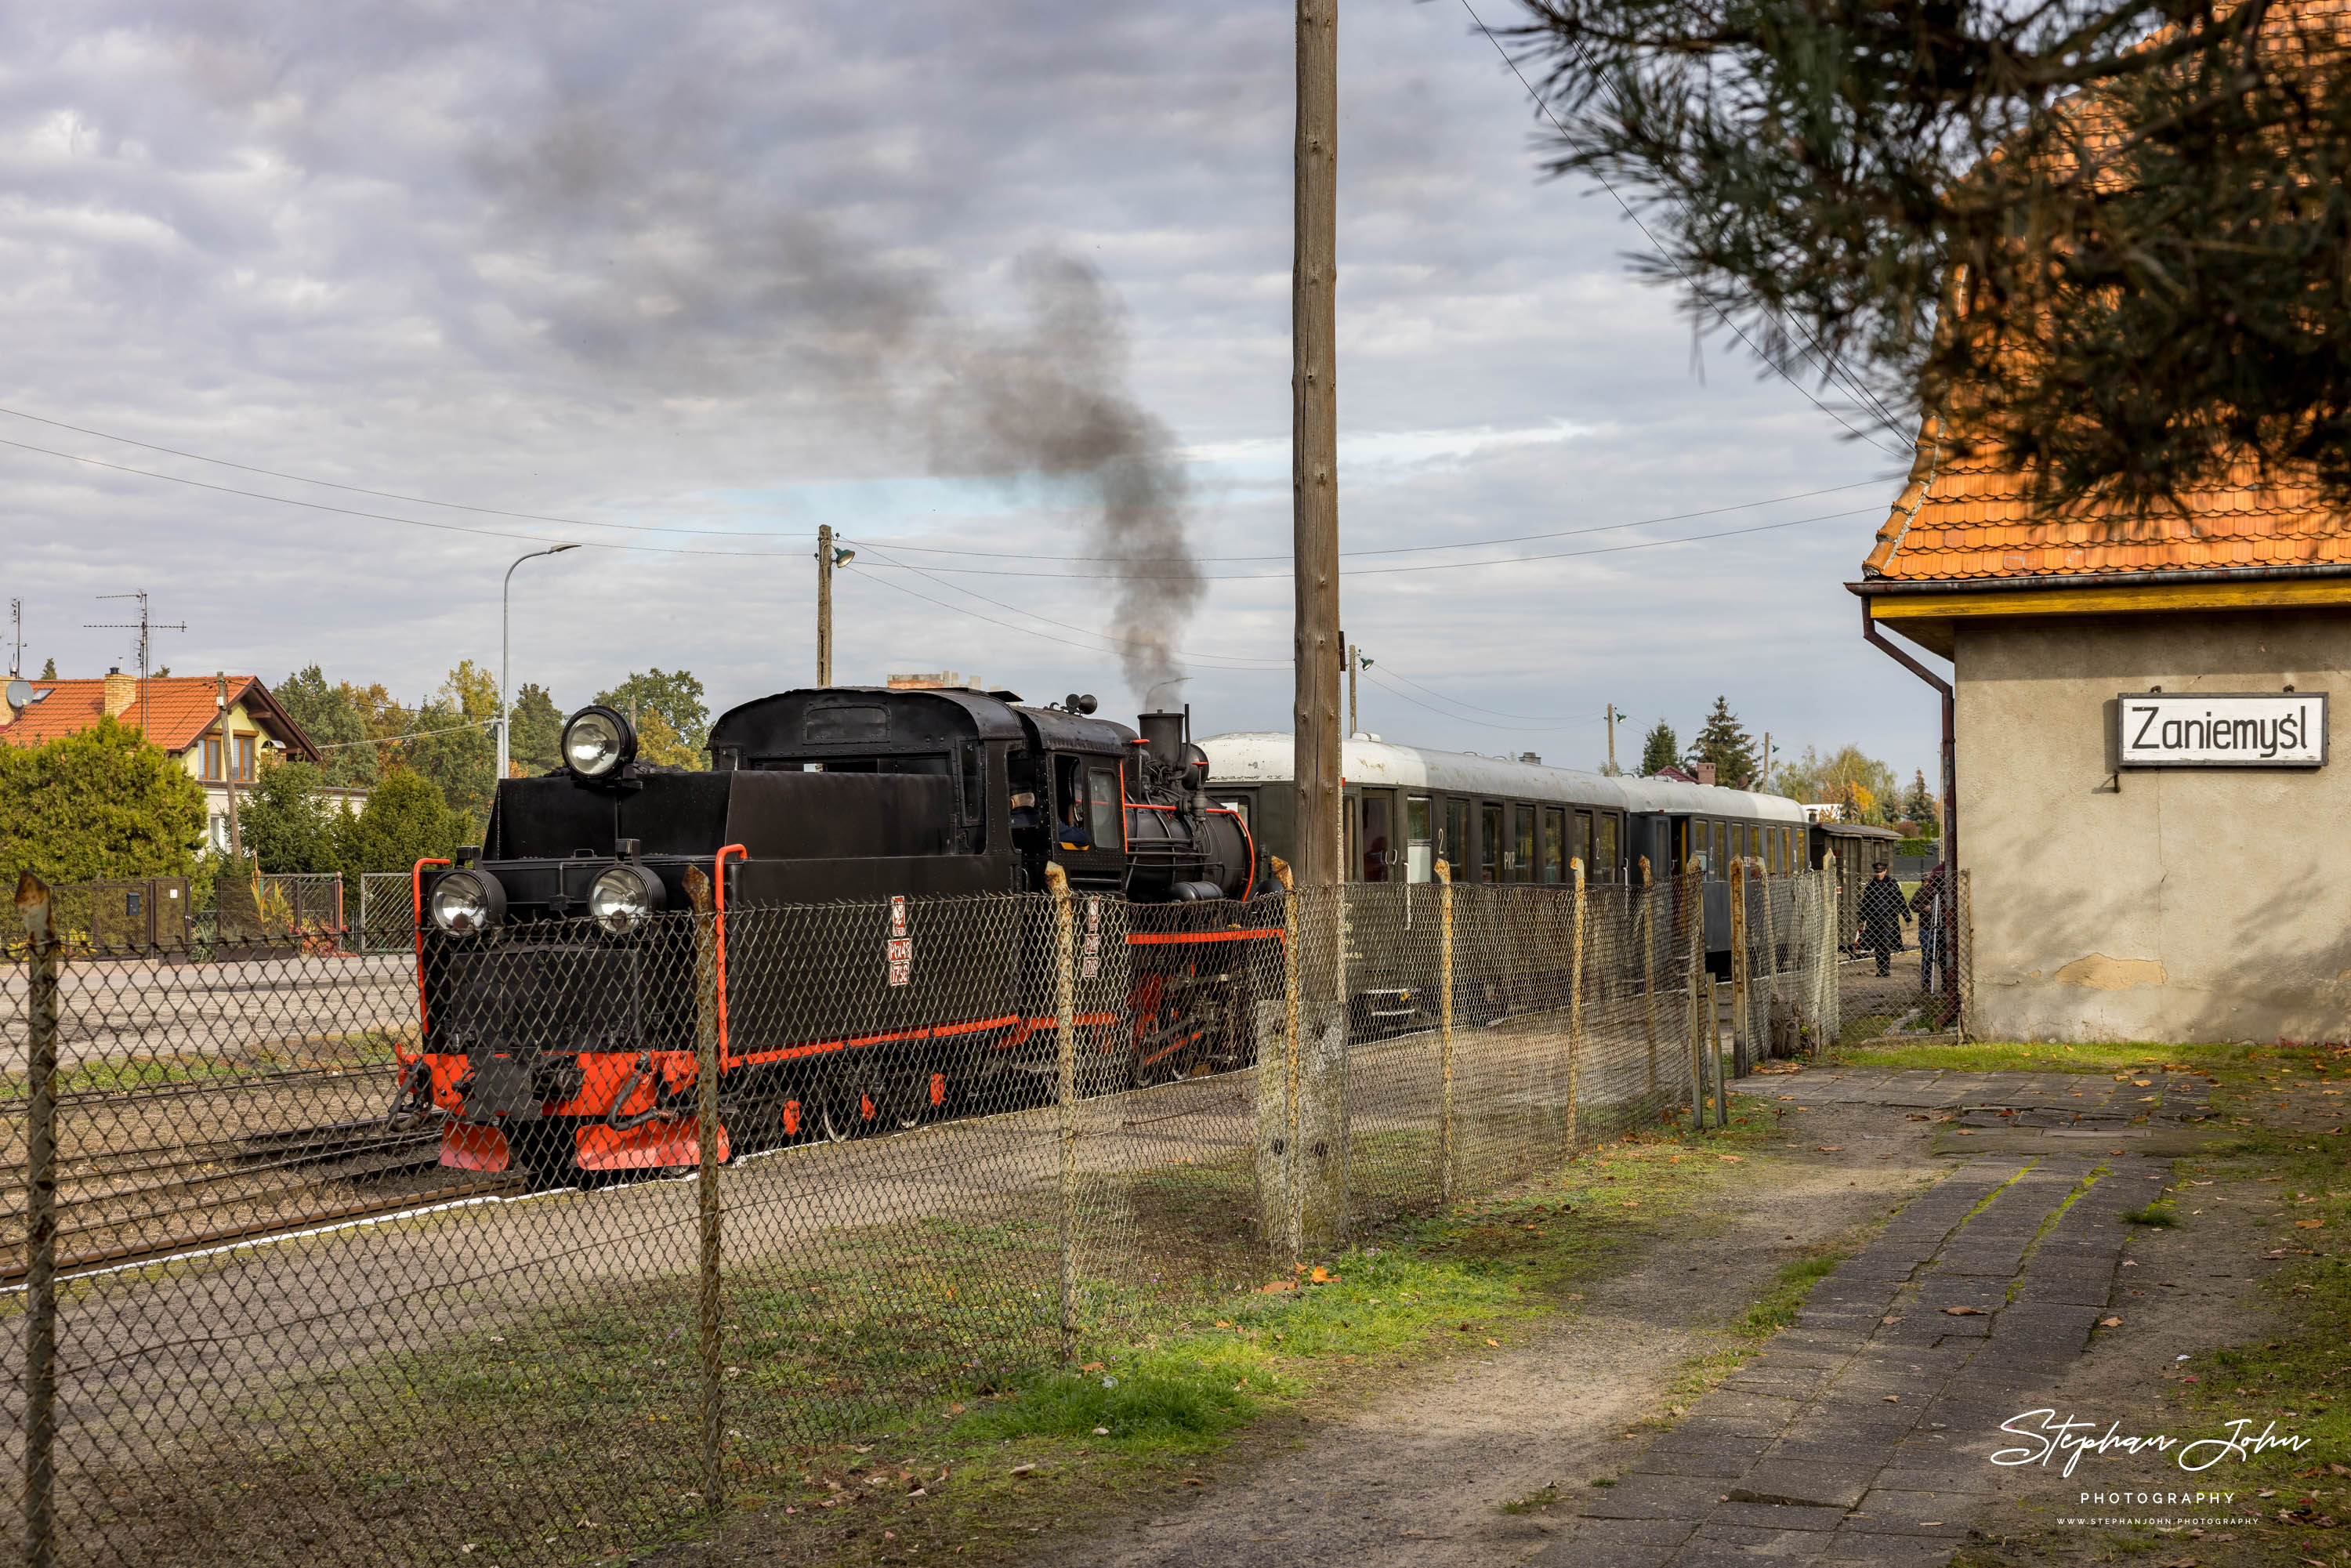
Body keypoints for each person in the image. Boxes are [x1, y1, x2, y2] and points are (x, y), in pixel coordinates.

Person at [1857, 861, 1908, 977]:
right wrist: (1861, 918)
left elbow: (1900, 900)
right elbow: (1866, 903)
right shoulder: (1871, 885)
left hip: (1888, 919)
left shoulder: (1891, 883)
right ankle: (1880, 968)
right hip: (1874, 919)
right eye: (1877, 872)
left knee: (1885, 943)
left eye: (1881, 872)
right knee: (1877, 944)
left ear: (1885, 871)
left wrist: (1907, 917)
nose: (1879, 874)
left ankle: (1885, 968)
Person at [1910, 860, 1950, 994]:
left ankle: (1946, 984)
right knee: (1927, 957)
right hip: (1927, 928)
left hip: (1944, 927)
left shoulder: (1949, 893)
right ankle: (1926, 985)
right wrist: (1924, 908)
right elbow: (1913, 905)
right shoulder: (1924, 890)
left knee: (1944, 958)